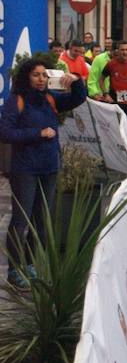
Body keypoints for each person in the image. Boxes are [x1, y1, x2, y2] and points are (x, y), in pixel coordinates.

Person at [1, 61, 86, 289]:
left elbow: (78, 99)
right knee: (21, 220)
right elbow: (5, 132)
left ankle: (29, 264)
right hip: (25, 170)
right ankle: (13, 269)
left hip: (49, 167)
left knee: (41, 220)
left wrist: (77, 81)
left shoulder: (50, 98)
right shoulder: (16, 101)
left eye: (44, 75)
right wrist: (37, 133)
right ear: (26, 77)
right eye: (36, 75)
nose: (41, 79)